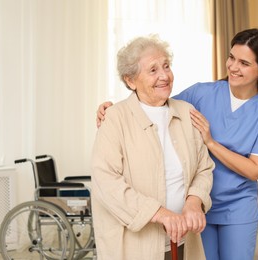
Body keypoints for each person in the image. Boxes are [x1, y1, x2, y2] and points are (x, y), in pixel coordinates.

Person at [96, 28, 258, 260]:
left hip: (234, 208)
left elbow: (255, 170)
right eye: (232, 58)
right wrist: (111, 108)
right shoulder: (201, 94)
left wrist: (211, 142)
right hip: (198, 209)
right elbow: (153, 100)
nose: (234, 67)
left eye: (244, 63)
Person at [91, 34, 214, 260]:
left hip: (183, 238)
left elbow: (204, 168)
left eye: (166, 66)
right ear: (130, 80)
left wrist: (194, 201)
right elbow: (106, 182)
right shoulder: (115, 118)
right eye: (153, 70)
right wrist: (160, 214)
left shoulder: (187, 112)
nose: (164, 76)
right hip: (135, 245)